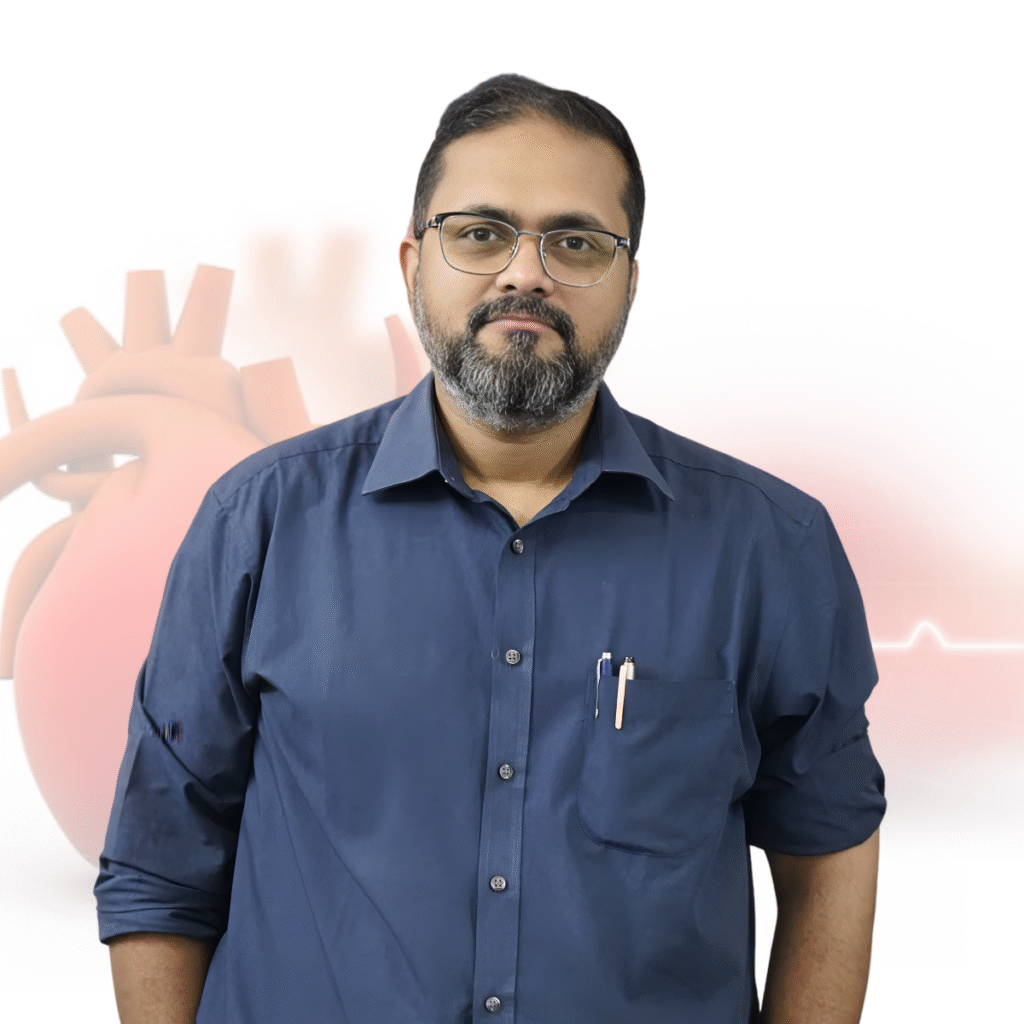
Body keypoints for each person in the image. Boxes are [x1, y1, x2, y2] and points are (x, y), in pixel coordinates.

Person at [96, 73, 885, 1024]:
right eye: (480, 233)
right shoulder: (260, 522)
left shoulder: (770, 549)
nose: (526, 273)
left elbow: (827, 849)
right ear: (410, 263)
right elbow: (159, 863)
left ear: (630, 279)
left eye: (576, 242)